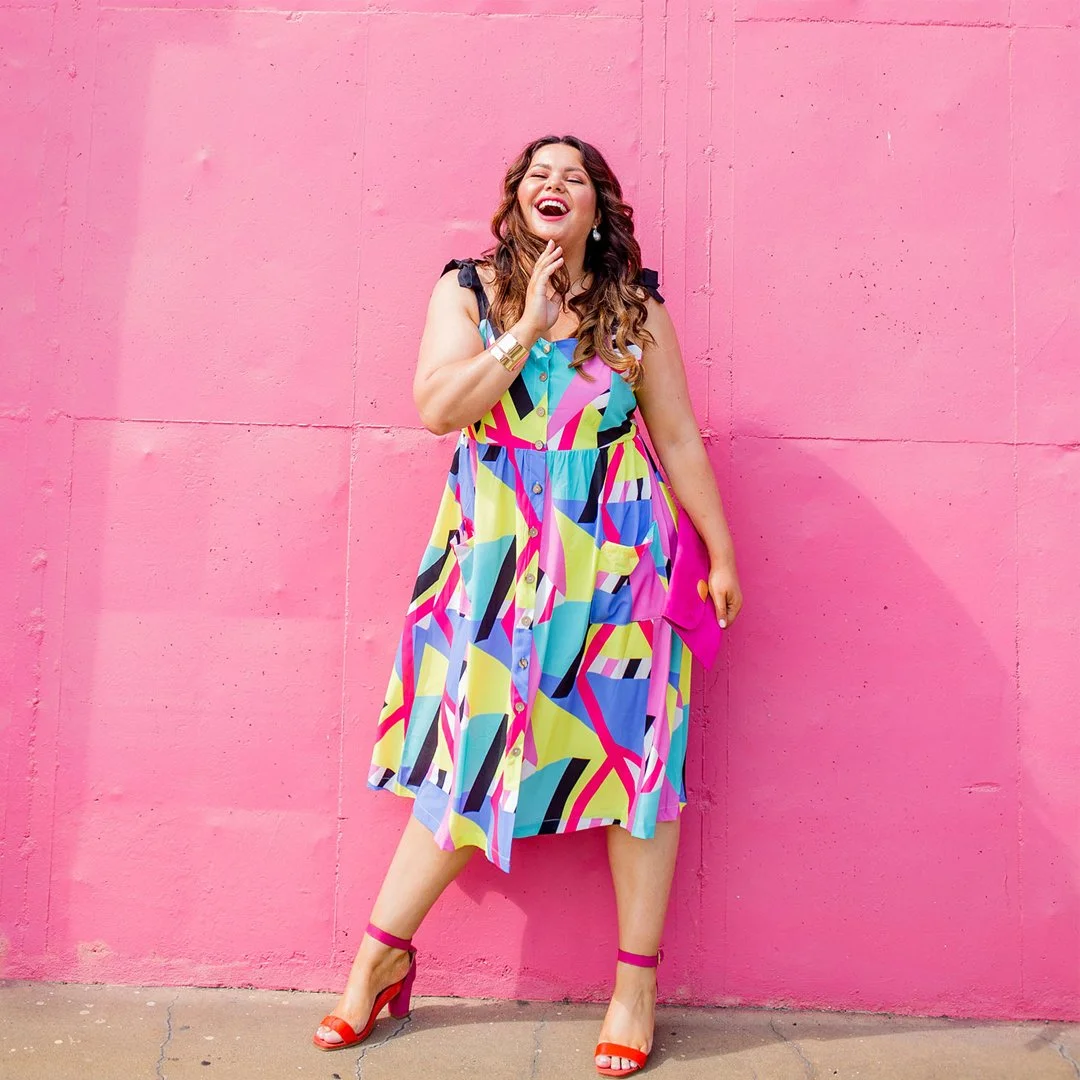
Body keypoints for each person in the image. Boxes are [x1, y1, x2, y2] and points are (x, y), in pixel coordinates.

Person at [313, 135, 742, 1077]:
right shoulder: (467, 292)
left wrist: (718, 547)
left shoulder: (632, 309)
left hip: (621, 562)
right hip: (498, 562)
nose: (556, 186)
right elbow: (438, 407)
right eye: (539, 175)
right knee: (473, 756)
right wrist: (526, 325)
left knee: (638, 766)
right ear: (515, 202)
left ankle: (634, 986)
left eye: (574, 178)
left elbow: (673, 431)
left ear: (599, 210)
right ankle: (381, 954)